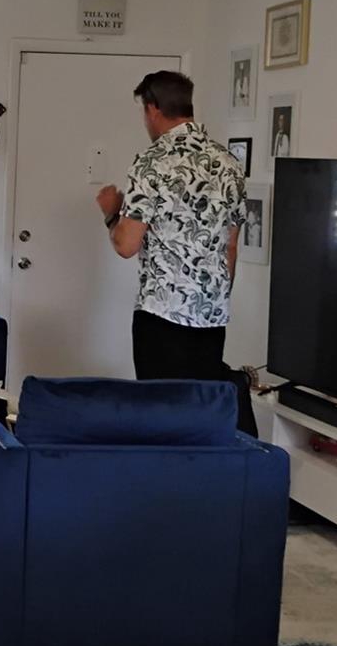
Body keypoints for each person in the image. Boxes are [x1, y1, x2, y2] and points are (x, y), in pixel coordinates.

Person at [95, 71, 258, 436]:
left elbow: (125, 245)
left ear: (152, 108)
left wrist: (111, 212)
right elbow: (231, 245)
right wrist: (213, 299)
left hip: (162, 316)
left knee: (160, 419)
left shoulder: (152, 162)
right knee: (201, 416)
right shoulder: (228, 163)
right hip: (211, 318)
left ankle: (164, 473)